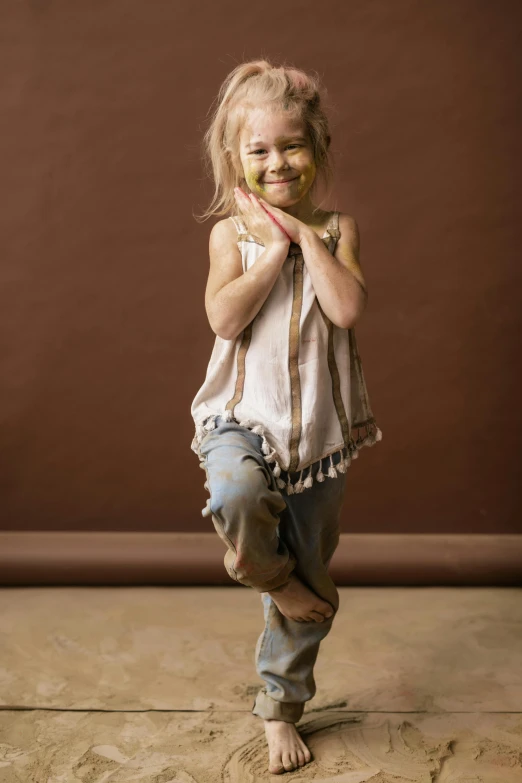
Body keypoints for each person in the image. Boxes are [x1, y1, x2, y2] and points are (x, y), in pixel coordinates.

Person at [190, 59, 382, 775]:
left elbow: (348, 308)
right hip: (241, 419)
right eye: (260, 150)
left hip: (318, 440)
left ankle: (280, 707)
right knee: (236, 494)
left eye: (292, 145)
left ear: (318, 148)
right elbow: (224, 316)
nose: (278, 162)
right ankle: (271, 577)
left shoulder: (336, 230)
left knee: (315, 584)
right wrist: (271, 248)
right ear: (235, 159)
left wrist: (303, 239)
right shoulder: (228, 239)